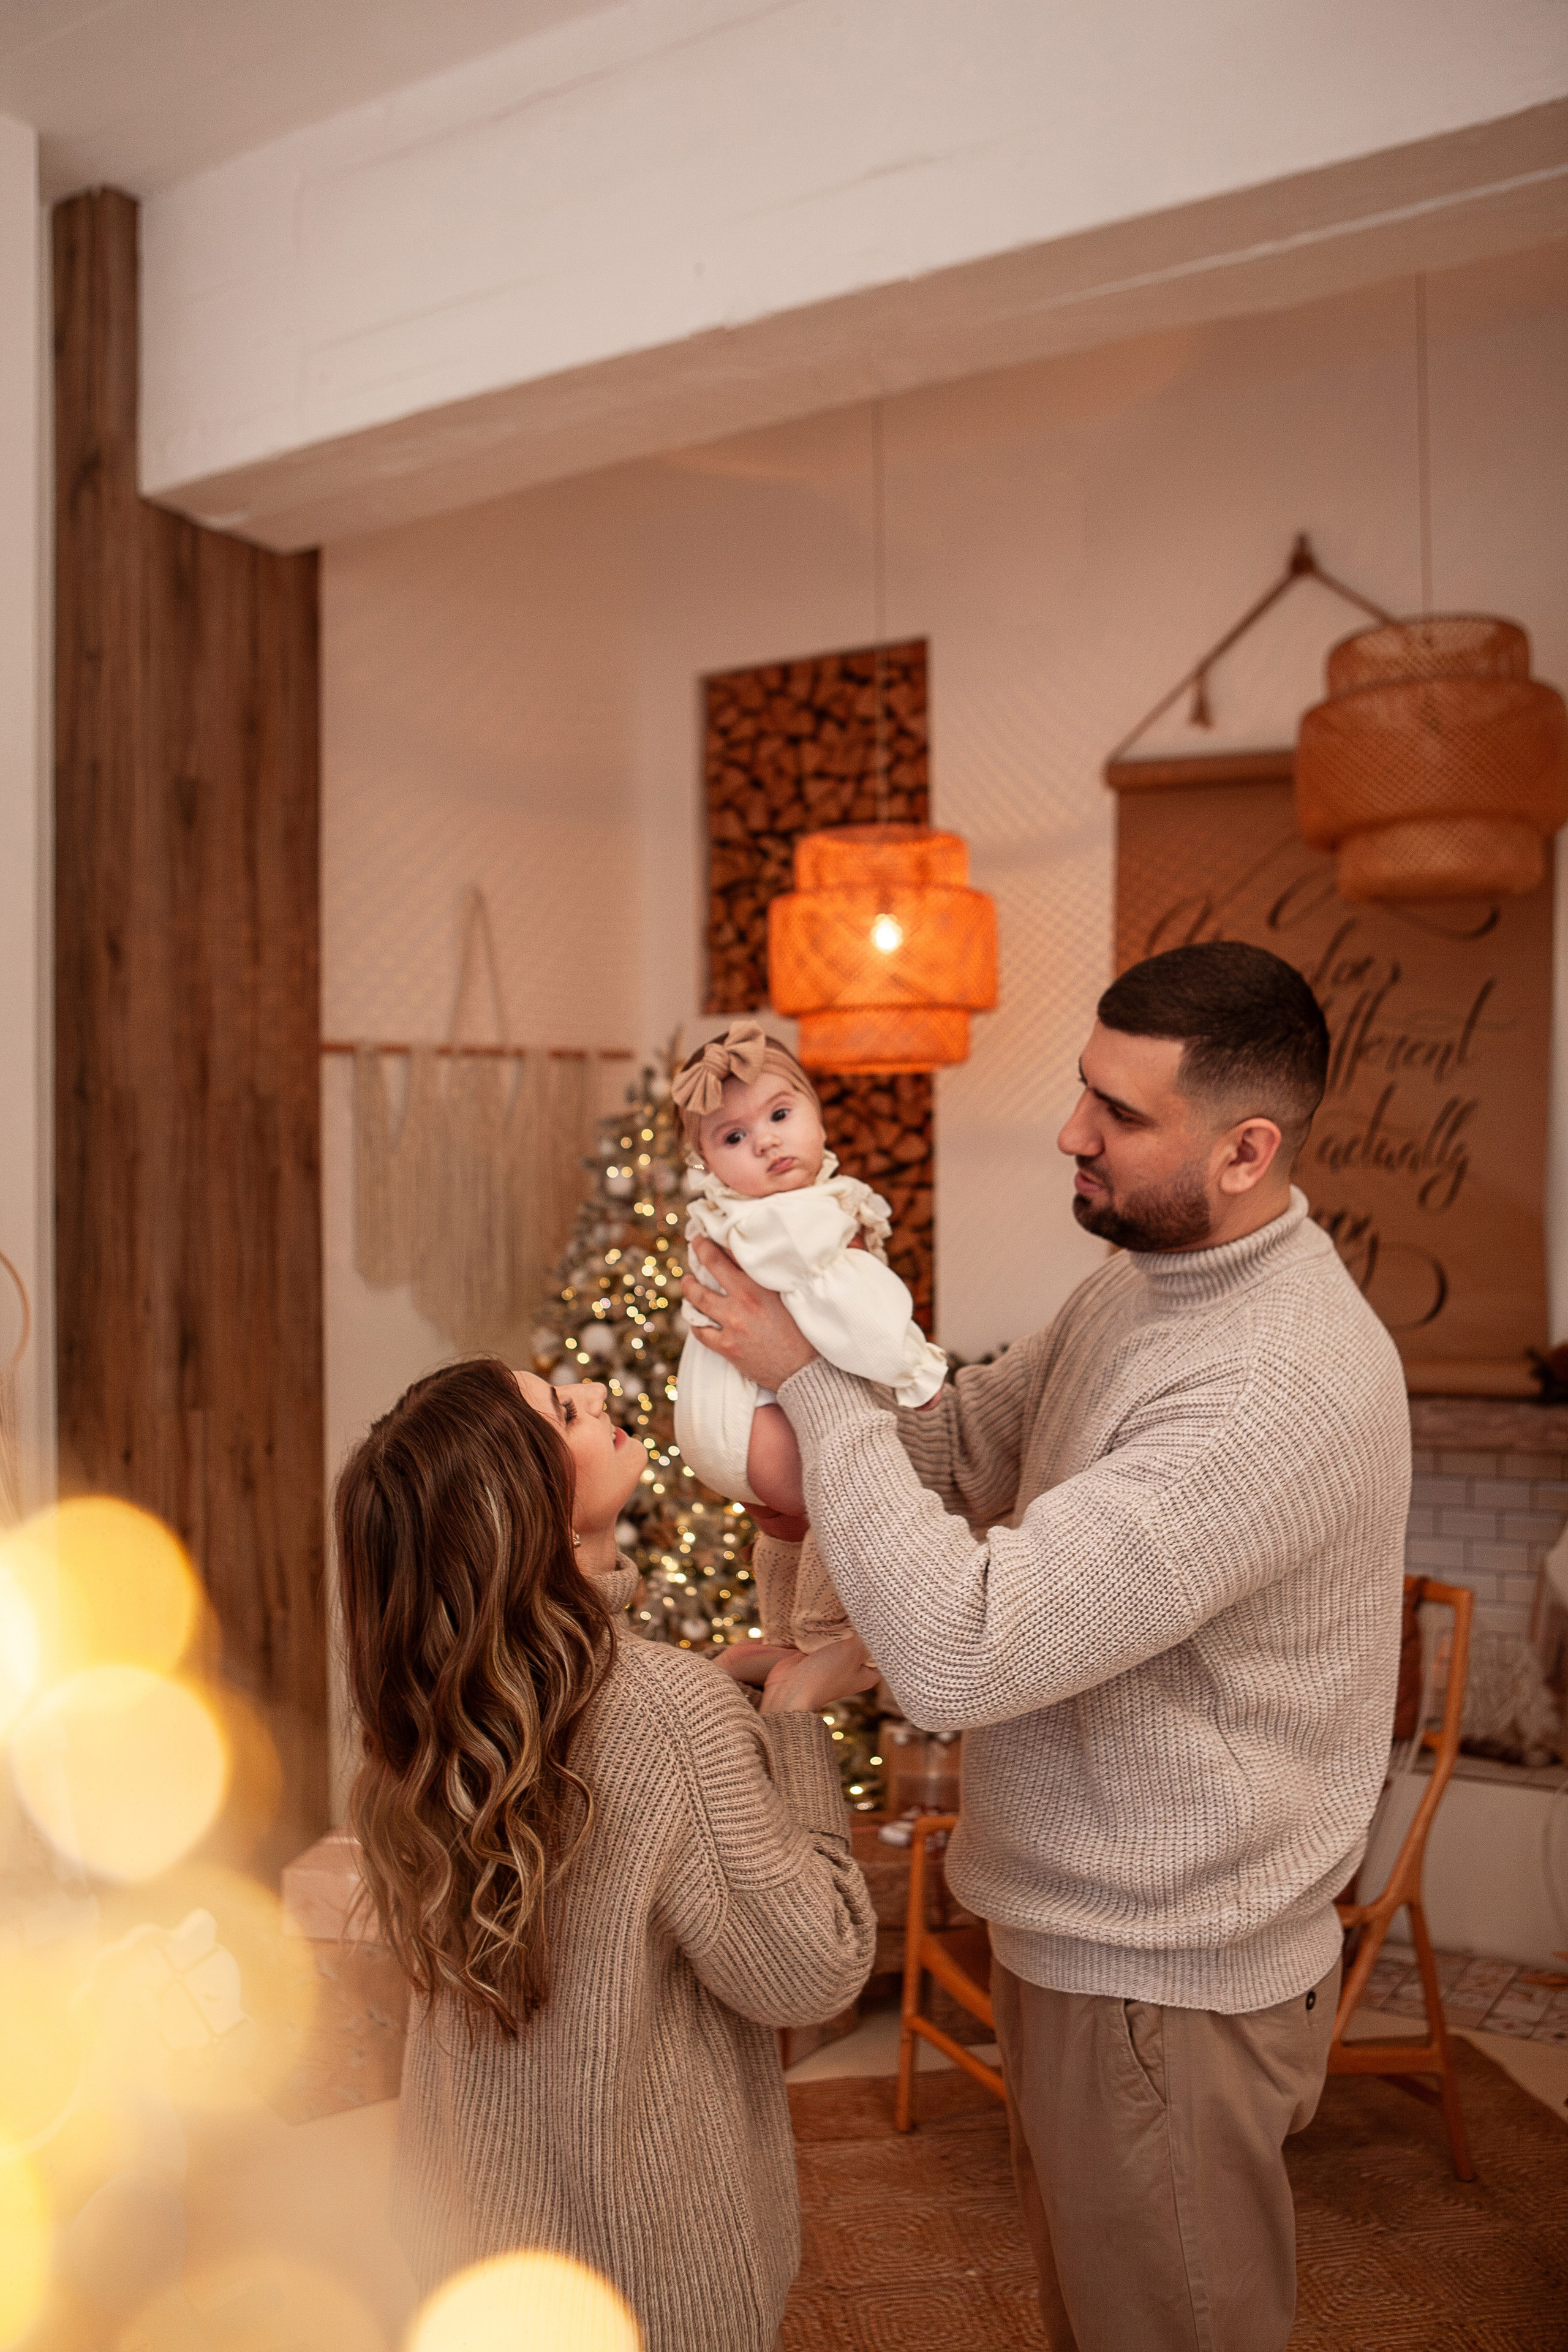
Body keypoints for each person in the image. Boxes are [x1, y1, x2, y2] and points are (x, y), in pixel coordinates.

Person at [686, 940, 1410, 2352]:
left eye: (1118, 1113)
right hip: (1085, 1940)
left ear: (1245, 1149)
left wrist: (802, 1380)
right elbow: (955, 1448)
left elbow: (964, 1651)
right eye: (1084, 1088)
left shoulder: (1276, 1380)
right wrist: (797, 1367)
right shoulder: (1148, 1278)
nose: (1071, 1130)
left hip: (1162, 1981)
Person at [334, 1354, 878, 2352]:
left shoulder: (429, 1734)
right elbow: (817, 1968)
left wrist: (714, 1719)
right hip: (645, 2288)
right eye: (559, 1408)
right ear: (520, 1503)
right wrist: (794, 1720)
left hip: (469, 2267)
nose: (594, 1398)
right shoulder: (668, 1715)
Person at [672, 1019, 946, 1646]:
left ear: (818, 1116)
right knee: (842, 1495)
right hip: (760, 1422)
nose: (767, 1144)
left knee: (785, 1524)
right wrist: (915, 1372)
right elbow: (855, 1310)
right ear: (705, 1161)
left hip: (726, 1421)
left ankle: (778, 1635)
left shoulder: (735, 1216)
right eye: (735, 1136)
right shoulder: (795, 1222)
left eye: (780, 1115)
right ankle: (824, 1631)